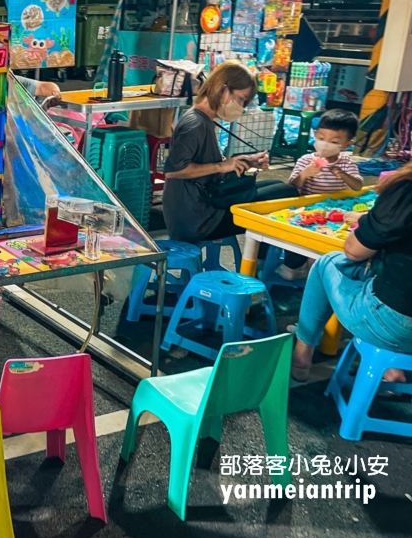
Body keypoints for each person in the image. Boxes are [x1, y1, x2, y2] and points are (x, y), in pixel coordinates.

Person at [291, 162, 412, 382]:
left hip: (395, 326)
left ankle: (302, 353)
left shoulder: (405, 191)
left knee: (326, 263)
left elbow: (354, 251)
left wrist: (368, 222)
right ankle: (392, 369)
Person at [162, 61, 294, 243]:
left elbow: (205, 164)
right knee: (286, 194)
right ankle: (274, 264)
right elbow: (173, 171)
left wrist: (246, 161)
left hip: (205, 205)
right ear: (222, 89)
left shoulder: (204, 120)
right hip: (198, 220)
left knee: (279, 186)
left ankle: (264, 261)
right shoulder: (195, 123)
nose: (241, 106)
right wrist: (221, 166)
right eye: (241, 98)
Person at [278, 108, 364, 280]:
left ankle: (318, 271)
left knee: (327, 245)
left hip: (333, 210)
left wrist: (343, 175)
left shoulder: (346, 163)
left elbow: (358, 185)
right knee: (294, 236)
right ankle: (295, 264)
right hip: (307, 209)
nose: (326, 144)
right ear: (315, 134)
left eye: (334, 141)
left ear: (347, 144)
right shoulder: (305, 160)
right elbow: (291, 188)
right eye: (322, 138)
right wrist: (304, 174)